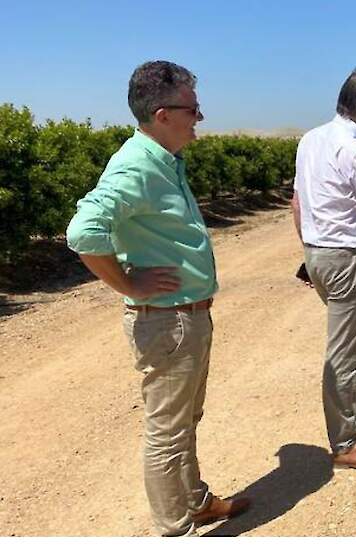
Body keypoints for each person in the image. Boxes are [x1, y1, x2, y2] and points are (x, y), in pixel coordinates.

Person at [65, 60, 250, 536]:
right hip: (167, 322)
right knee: (167, 430)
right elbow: (83, 231)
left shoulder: (162, 160)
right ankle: (175, 529)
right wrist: (129, 285)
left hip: (185, 318)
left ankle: (195, 501)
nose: (200, 119)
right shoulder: (136, 166)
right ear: (164, 113)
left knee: (186, 418)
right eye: (193, 109)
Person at [291, 68, 356, 470]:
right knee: (344, 354)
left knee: (355, 342)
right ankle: (344, 441)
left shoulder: (311, 139)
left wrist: (309, 251)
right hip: (346, 259)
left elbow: (298, 202)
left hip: (320, 254)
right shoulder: (354, 150)